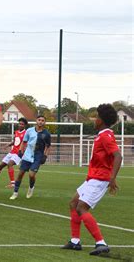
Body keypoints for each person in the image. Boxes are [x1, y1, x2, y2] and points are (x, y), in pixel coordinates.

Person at [61, 104, 122, 256]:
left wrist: (112, 178)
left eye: (96, 117)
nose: (94, 120)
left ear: (101, 120)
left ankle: (101, 243)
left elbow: (118, 156)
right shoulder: (102, 135)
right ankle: (75, 241)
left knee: (81, 208)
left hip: (100, 179)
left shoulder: (106, 137)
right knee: (73, 203)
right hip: (92, 178)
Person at [10, 115, 51, 200]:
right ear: (36, 121)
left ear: (44, 122)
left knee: (31, 175)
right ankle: (15, 193)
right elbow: (24, 142)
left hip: (38, 156)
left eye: (42, 120)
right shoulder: (29, 131)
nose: (40, 121)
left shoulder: (46, 134)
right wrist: (21, 151)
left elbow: (48, 146)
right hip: (27, 155)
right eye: (39, 120)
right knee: (20, 174)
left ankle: (31, 188)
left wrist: (45, 156)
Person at [0, 118, 28, 188]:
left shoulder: (26, 133)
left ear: (25, 125)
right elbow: (15, 141)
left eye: (22, 124)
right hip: (12, 152)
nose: (20, 125)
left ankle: (13, 183)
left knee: (10, 164)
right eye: (20, 124)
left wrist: (23, 152)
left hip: (18, 153)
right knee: (0, 166)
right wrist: (8, 145)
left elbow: (26, 144)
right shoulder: (17, 132)